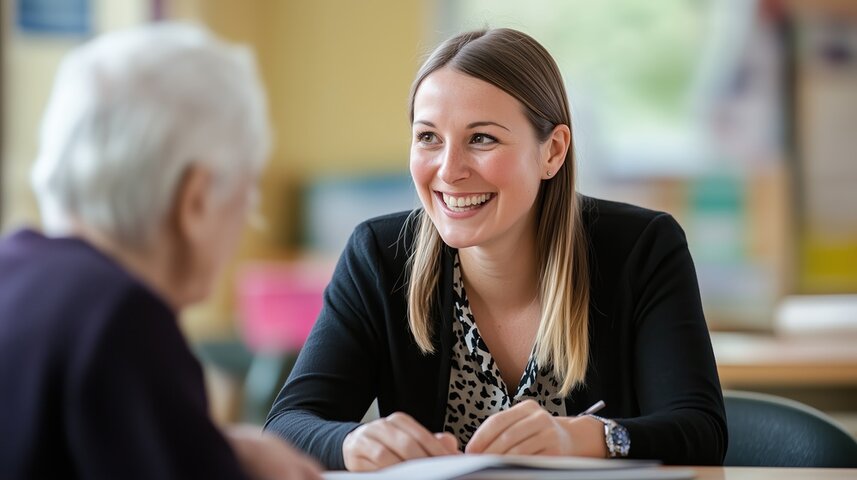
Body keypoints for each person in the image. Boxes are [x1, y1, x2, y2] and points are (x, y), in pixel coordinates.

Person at [265, 28, 727, 471]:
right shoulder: (380, 256)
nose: (449, 170)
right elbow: (286, 427)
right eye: (428, 137)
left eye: (481, 138)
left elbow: (700, 431)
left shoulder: (642, 250)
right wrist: (352, 443)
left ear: (552, 152)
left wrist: (581, 439)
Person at [0, 23, 320, 480]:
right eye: (246, 198)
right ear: (197, 200)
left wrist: (218, 450)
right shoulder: (122, 319)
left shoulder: (12, 270)